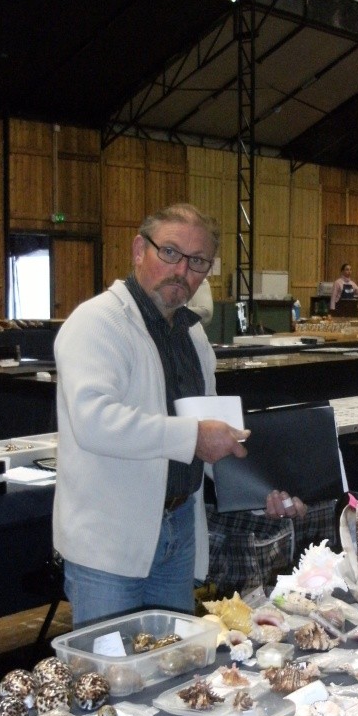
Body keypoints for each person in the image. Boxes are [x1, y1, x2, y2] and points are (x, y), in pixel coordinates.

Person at [53, 202, 250, 625]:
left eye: (198, 262)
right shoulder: (97, 323)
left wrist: (258, 486)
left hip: (178, 531)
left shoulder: (193, 336)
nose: (183, 271)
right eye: (171, 253)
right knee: (108, 678)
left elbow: (212, 426)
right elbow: (94, 421)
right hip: (110, 542)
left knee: (168, 672)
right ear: (139, 250)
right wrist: (193, 437)